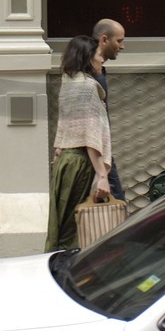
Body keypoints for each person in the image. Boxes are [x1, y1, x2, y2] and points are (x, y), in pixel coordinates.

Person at [45, 36, 112, 252]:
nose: (102, 60)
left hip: (66, 161)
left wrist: (58, 148)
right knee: (73, 231)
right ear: (87, 57)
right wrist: (102, 176)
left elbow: (66, 122)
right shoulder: (87, 88)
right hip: (80, 163)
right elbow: (90, 136)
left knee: (60, 224)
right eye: (98, 55)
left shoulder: (69, 82)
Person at [92, 18, 126, 201]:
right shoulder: (91, 75)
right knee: (117, 205)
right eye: (119, 41)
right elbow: (90, 123)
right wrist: (102, 173)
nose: (122, 47)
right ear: (104, 40)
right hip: (96, 155)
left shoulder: (96, 71)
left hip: (101, 154)